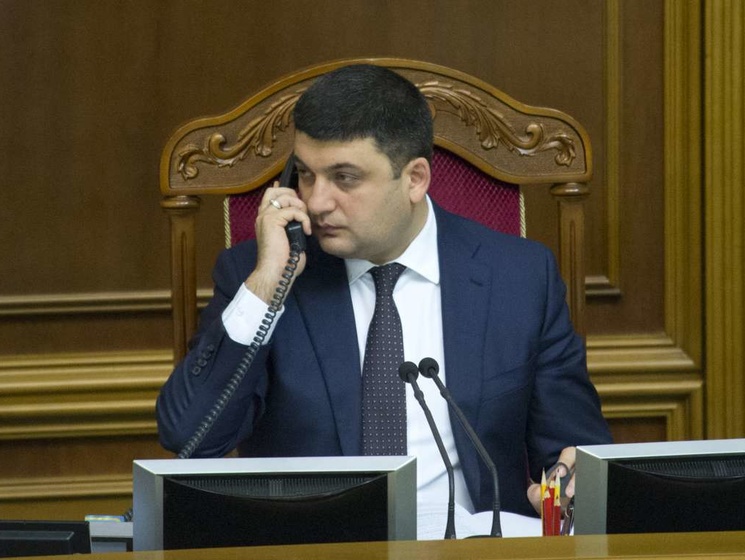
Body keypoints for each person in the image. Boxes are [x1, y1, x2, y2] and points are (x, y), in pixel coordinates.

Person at [156, 64, 612, 519]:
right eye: (306, 175)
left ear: (414, 179)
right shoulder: (262, 275)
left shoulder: (519, 277)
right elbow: (190, 437)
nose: (316, 201)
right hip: (316, 543)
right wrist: (266, 285)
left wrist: (566, 483)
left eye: (345, 177)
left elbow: (575, 449)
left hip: (476, 543)